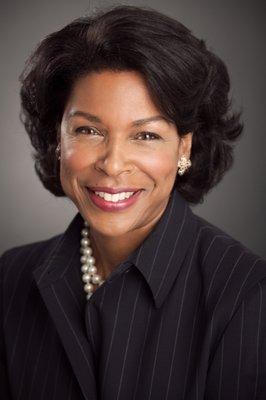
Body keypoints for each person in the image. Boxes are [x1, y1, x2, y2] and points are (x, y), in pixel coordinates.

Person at [1, 4, 265, 400]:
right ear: (58, 138)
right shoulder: (10, 279)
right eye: (88, 129)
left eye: (145, 136)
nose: (113, 164)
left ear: (184, 146)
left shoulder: (246, 294)